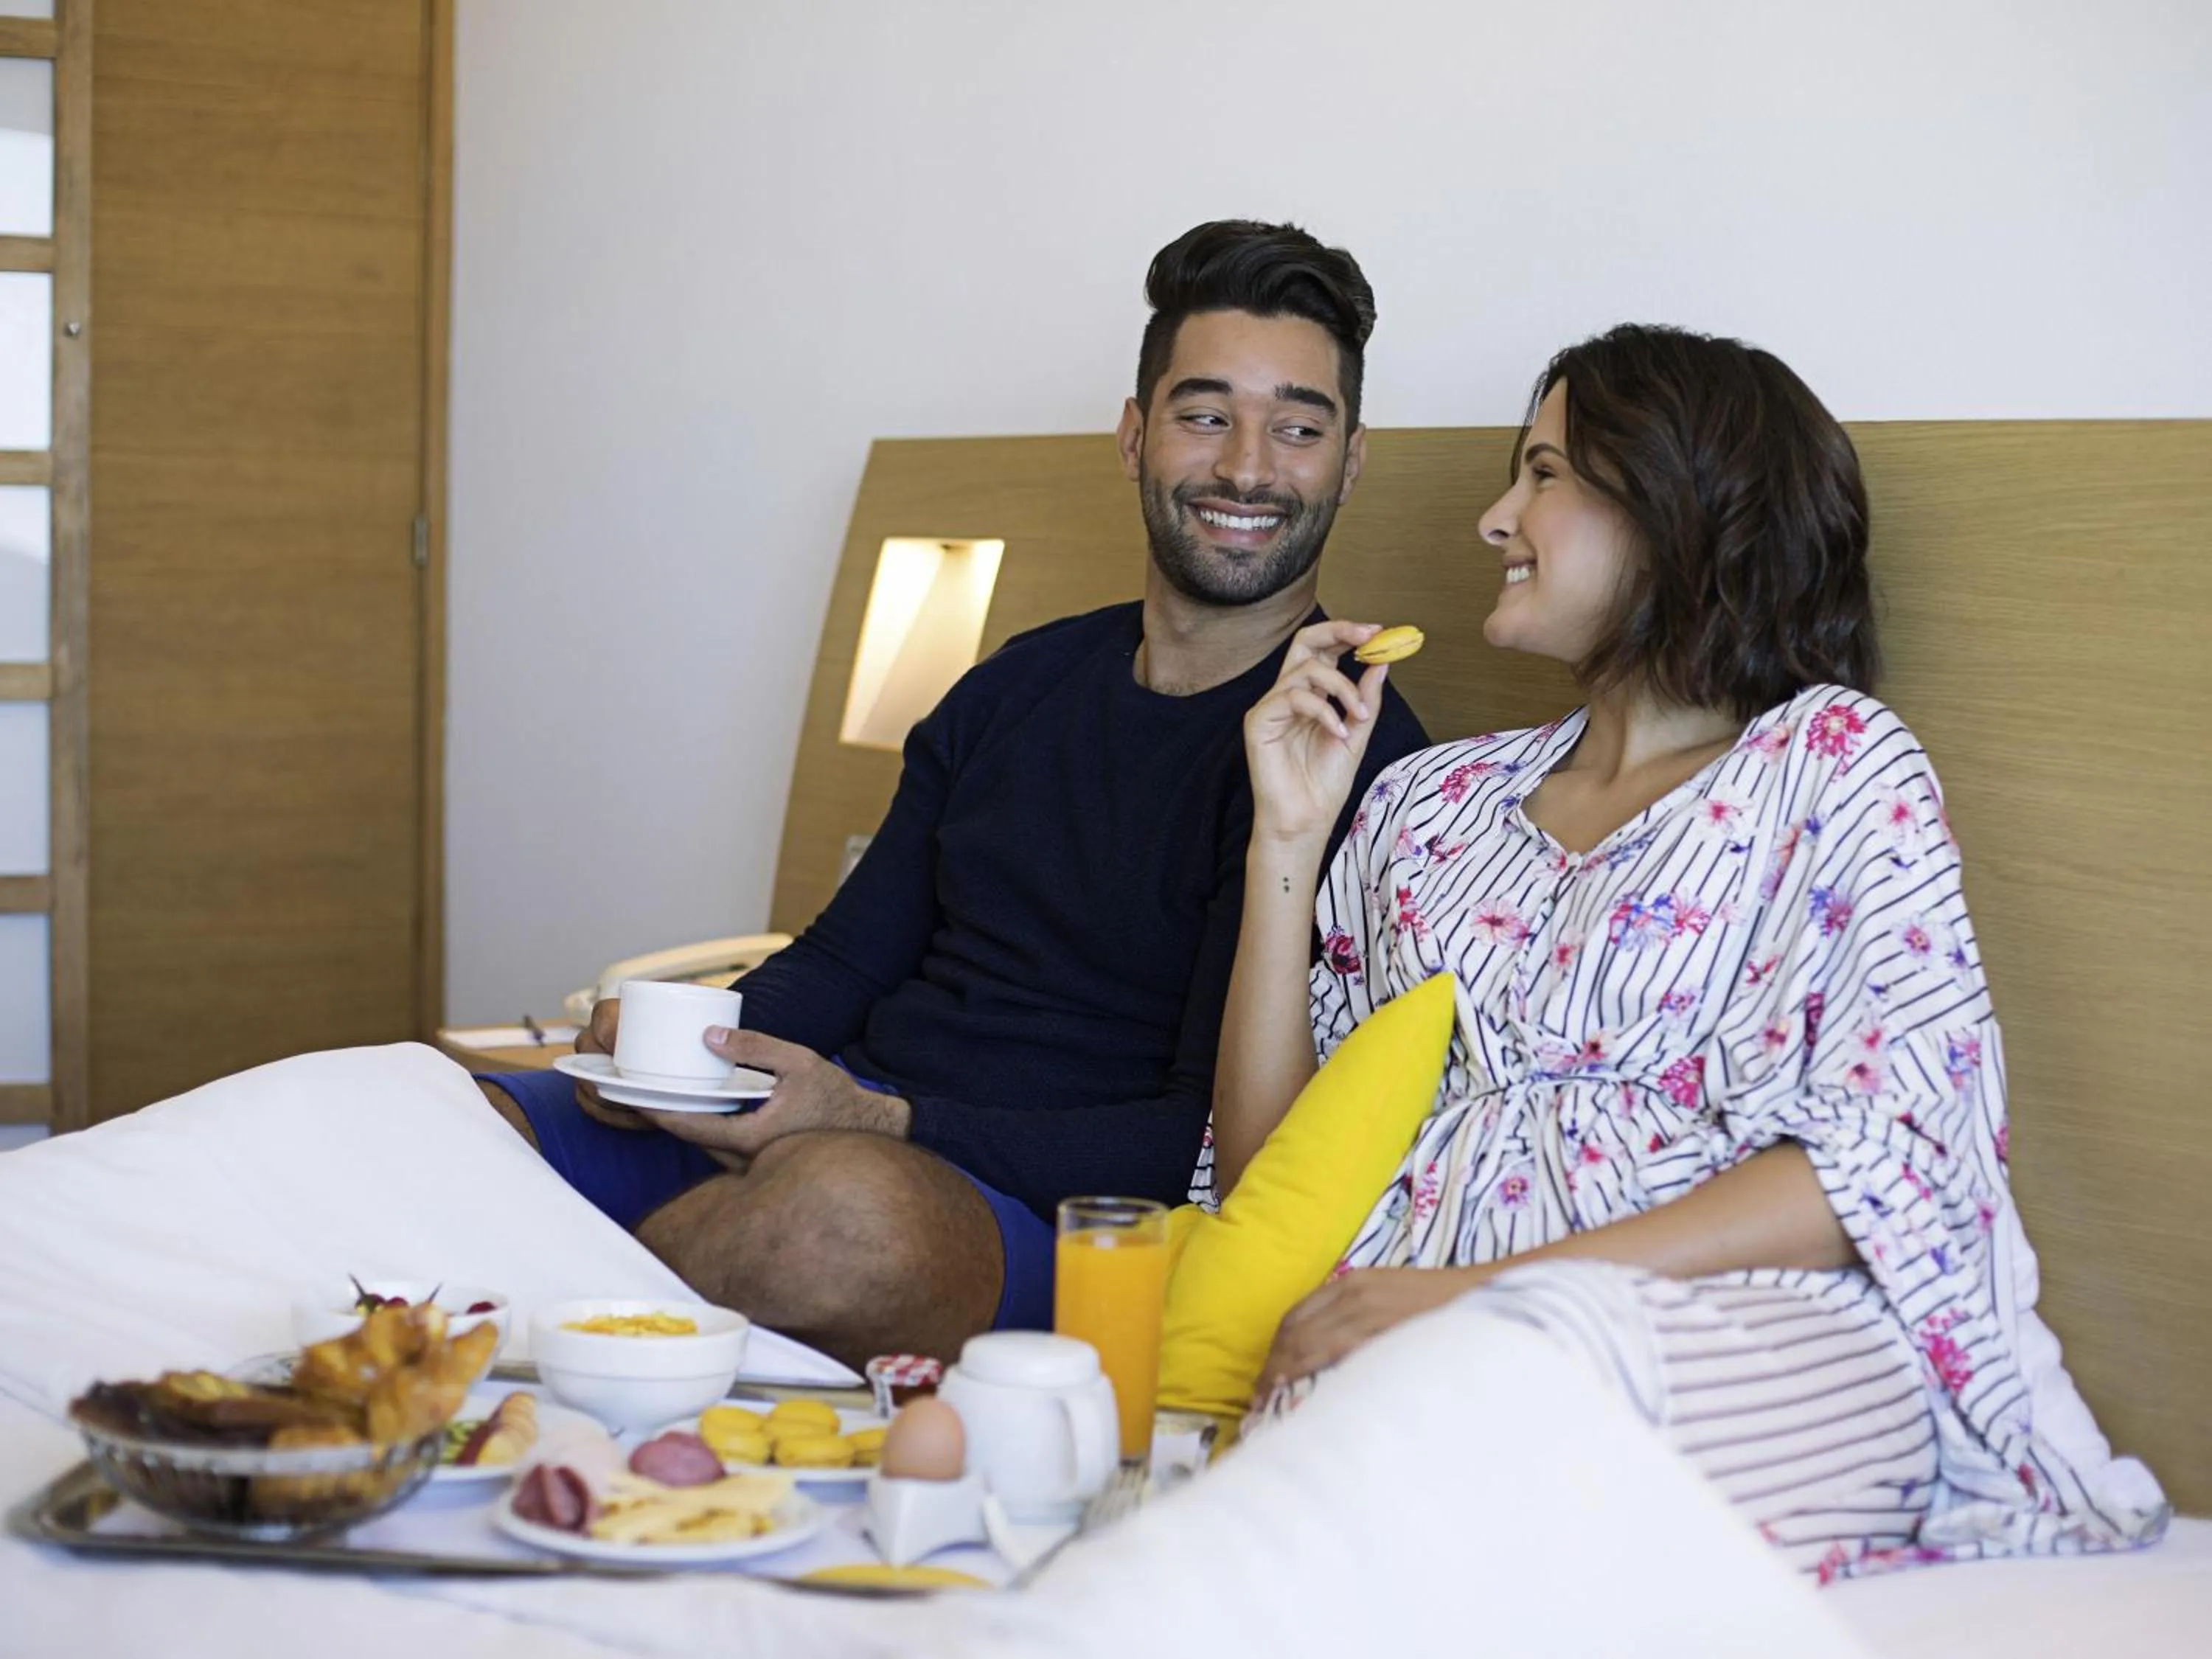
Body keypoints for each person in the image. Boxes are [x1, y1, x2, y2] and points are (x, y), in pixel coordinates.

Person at [1210, 324, 2165, 1578]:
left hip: (1733, 1329)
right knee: (1341, 1466)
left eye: (1544, 474)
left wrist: (1486, 1301)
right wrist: (1288, 833)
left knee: (1504, 1420)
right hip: (1418, 1338)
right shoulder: (1424, 805)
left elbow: (1877, 1160)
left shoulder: (1830, 761)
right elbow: (1269, 1182)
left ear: (1678, 507)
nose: (1497, 518)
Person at [479, 220, 1427, 1370]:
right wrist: (688, 1058)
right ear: (1135, 436)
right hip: (833, 1125)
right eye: (1204, 413)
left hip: (1025, 1211)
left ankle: (490, 1331)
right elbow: (841, 962)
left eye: (1298, 427)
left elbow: (1204, 1137)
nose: (1247, 467)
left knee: (841, 1218)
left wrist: (878, 1124)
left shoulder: (1344, 751)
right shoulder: (1019, 682)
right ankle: (516, 1316)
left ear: (1352, 460)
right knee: (441, 1105)